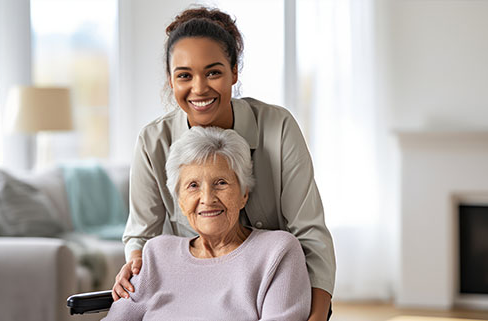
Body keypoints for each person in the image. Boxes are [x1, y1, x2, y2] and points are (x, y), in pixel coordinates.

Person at [113, 6, 336, 320]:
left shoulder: (278, 127)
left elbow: (310, 233)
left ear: (234, 71)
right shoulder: (154, 141)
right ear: (170, 80)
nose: (199, 88)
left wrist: (316, 315)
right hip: (189, 300)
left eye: (213, 72)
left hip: (270, 292)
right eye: (184, 76)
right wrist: (138, 267)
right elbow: (142, 235)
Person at [103, 126, 311, 320]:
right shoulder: (157, 253)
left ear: (244, 194)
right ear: (181, 202)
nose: (207, 198)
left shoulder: (277, 252)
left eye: (221, 183)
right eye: (193, 186)